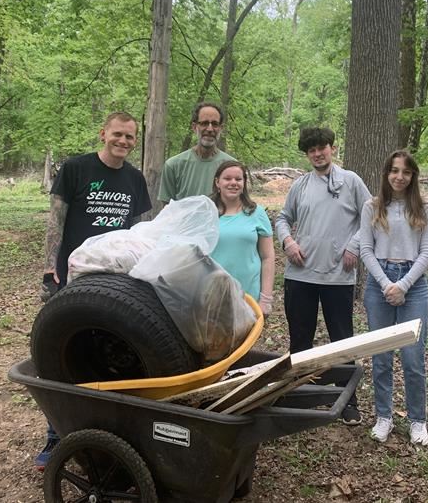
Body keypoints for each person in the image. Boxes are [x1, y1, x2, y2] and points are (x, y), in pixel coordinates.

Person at [37, 111, 152, 469]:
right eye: (118, 134)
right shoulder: (75, 169)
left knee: (107, 353)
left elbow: (143, 233)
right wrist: (47, 267)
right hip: (72, 279)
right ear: (103, 133)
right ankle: (55, 438)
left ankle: (108, 436)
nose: (123, 142)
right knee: (60, 356)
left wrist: (147, 275)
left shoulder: (135, 179)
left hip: (117, 283)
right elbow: (55, 220)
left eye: (130, 137)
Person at [274, 127, 371, 425]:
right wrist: (288, 242)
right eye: (311, 150)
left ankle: (348, 401)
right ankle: (297, 395)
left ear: (333, 148)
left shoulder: (351, 181)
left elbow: (371, 215)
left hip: (338, 277)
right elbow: (282, 219)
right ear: (307, 154)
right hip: (300, 275)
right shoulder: (300, 186)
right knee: (299, 338)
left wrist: (354, 246)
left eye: (322, 148)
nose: (317, 154)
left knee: (342, 340)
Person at [359, 150, 428, 447]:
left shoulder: (424, 208)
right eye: (394, 170)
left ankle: (417, 420)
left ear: (413, 175)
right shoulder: (373, 207)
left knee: (413, 358)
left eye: (405, 171)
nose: (399, 176)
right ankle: (384, 416)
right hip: (379, 284)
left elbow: (427, 252)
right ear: (386, 173)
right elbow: (365, 248)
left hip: (413, 285)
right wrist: (386, 283)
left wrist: (402, 284)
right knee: (381, 356)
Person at [209, 160, 275, 315]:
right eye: (227, 178)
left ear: (244, 183)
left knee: (248, 339)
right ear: (217, 182)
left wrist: (265, 299)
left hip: (249, 297)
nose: (233, 183)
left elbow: (268, 257)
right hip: (212, 295)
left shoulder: (256, 212)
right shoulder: (206, 213)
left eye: (238, 179)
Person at [158, 102, 235, 205]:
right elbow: (167, 211)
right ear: (194, 127)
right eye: (204, 123)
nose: (210, 129)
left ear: (221, 128)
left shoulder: (232, 166)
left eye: (215, 124)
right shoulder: (174, 165)